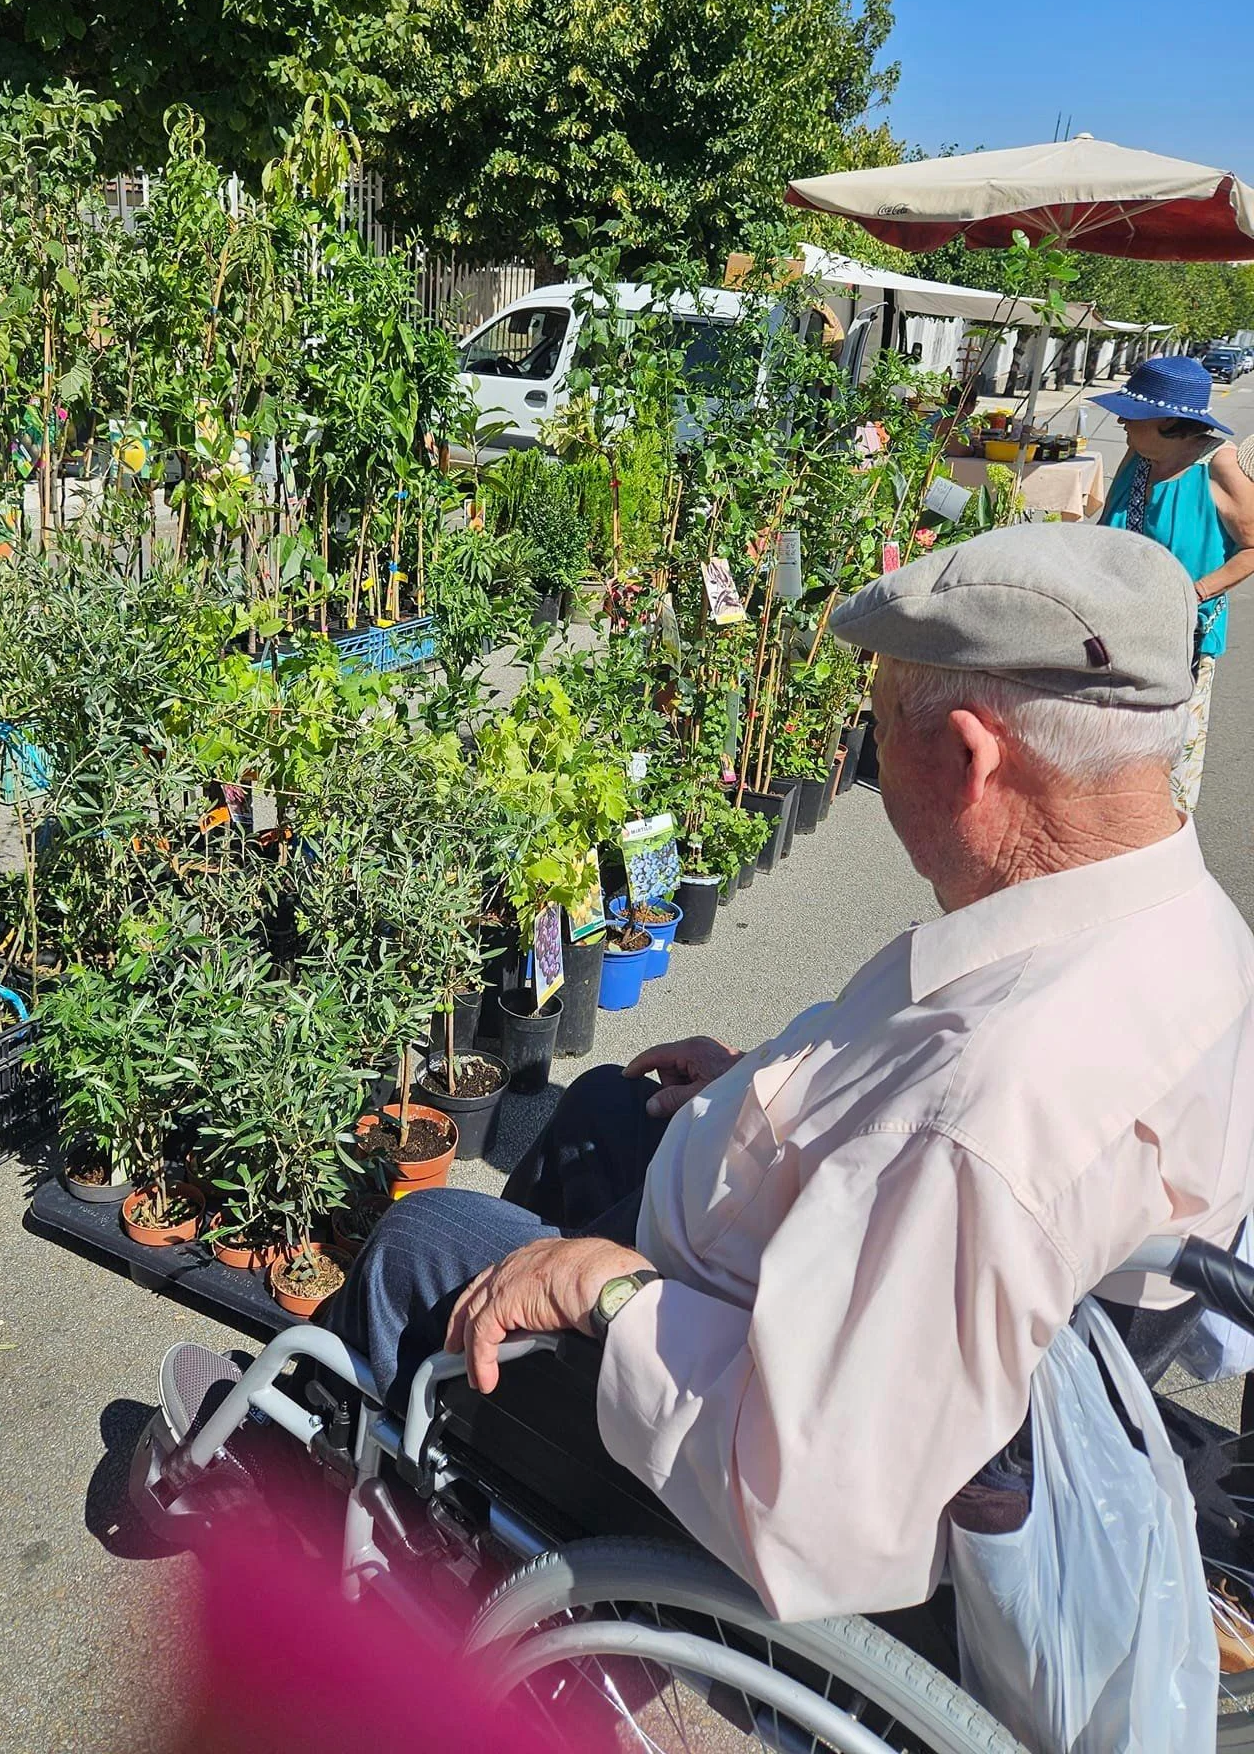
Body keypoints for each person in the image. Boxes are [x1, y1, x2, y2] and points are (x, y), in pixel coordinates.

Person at [162, 523, 1254, 1626]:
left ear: (973, 759)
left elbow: (815, 1497)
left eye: (877, 740)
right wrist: (764, 1083)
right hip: (818, 1277)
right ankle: (459, 1424)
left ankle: (298, 1477)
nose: (869, 775)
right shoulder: (1194, 937)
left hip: (736, 1416)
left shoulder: (988, 1115)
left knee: (419, 1239)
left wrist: (605, 1288)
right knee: (597, 1106)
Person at [1092, 352, 1254, 812]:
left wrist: (1195, 593)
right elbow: (1108, 528)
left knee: (1162, 758)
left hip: (1181, 638)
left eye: (1134, 415)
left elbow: (1252, 549)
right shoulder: (1139, 455)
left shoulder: (1217, 467)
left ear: (1168, 422)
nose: (1122, 421)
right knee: (1103, 748)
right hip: (1117, 628)